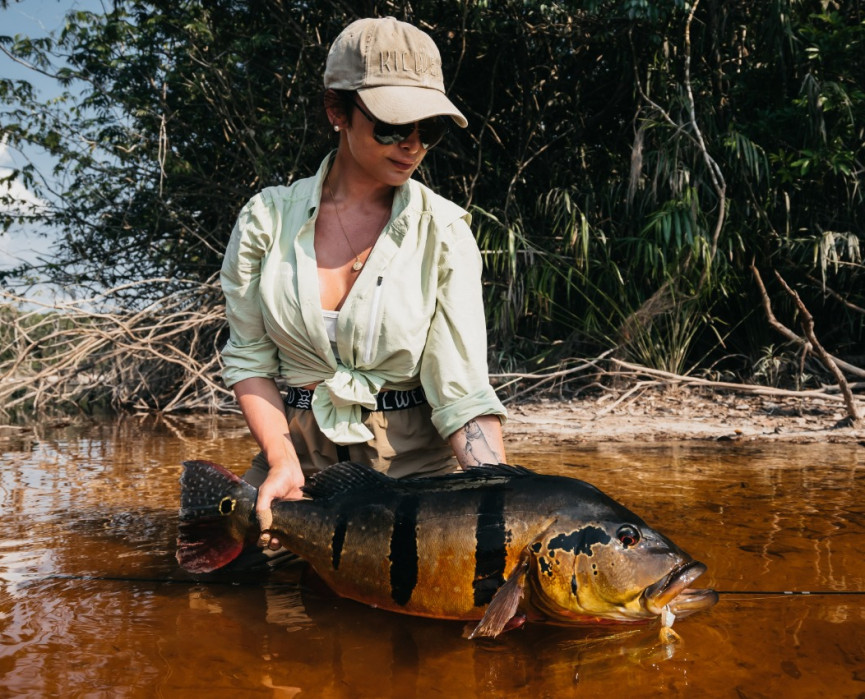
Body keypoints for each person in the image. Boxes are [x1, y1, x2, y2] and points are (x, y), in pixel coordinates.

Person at [219, 16, 507, 553]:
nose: (413, 146)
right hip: (295, 460)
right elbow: (250, 359)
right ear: (337, 111)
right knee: (222, 587)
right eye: (393, 127)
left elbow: (462, 395)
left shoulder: (444, 233)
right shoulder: (266, 221)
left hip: (417, 475)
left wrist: (502, 502)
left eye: (430, 129)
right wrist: (282, 464)